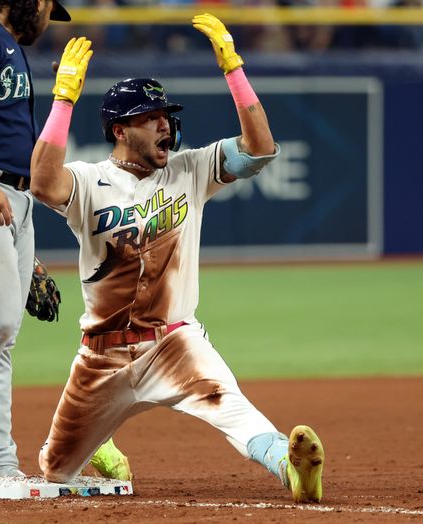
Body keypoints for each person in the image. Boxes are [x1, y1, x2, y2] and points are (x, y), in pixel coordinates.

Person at [29, 14, 325, 502]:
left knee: (228, 403)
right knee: (55, 472)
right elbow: (42, 183)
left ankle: (289, 467)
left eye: (167, 115)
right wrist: (63, 100)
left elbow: (261, 150)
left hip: (173, 342)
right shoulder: (87, 181)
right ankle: (100, 448)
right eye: (151, 117)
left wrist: (234, 68)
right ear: (121, 130)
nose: (166, 123)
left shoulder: (191, 170)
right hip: (101, 356)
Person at [0, 0, 130, 483]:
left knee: (5, 332)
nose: (46, 15)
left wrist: (23, 247)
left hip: (11, 198)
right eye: (44, 5)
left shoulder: (9, 47)